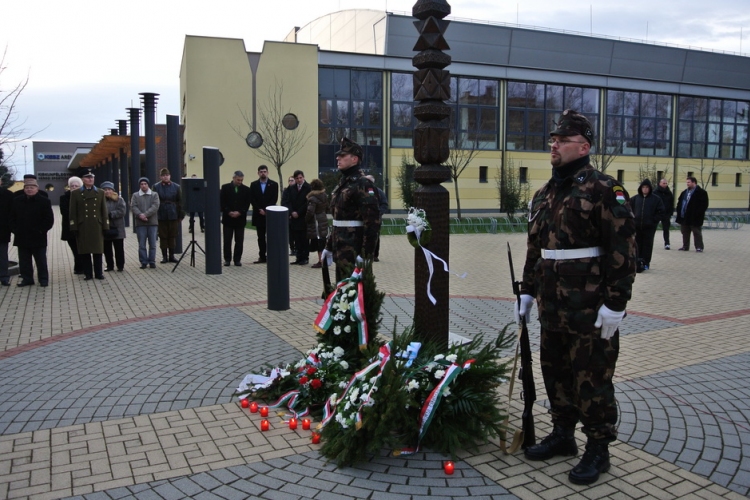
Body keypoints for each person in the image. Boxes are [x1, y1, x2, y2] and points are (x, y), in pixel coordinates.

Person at [516, 110, 636, 486]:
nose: (553, 144)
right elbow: (536, 249)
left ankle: (598, 449)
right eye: (552, 138)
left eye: (562, 139)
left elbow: (623, 252)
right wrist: (527, 291)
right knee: (556, 372)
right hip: (552, 306)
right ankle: (563, 434)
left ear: (583, 146)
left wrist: (616, 303)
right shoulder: (544, 193)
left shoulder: (605, 190)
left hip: (589, 307)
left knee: (593, 378)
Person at [324, 137, 381, 281]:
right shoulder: (344, 182)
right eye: (339, 155)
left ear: (354, 159)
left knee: (354, 296)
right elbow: (338, 219)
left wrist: (366, 254)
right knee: (342, 295)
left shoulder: (363, 184)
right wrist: (329, 246)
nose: (338, 158)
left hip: (354, 250)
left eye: (343, 155)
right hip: (341, 249)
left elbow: (373, 222)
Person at [9, 178, 54, 287]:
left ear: (37, 189)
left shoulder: (44, 201)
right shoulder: (17, 201)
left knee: (41, 260)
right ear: (24, 189)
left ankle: (43, 279)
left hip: (38, 236)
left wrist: (41, 230)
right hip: (22, 236)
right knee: (24, 261)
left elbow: (49, 219)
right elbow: (11, 218)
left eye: (32, 187)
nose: (29, 189)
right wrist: (15, 230)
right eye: (27, 188)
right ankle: (27, 279)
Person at [69, 170, 109, 281]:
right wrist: (74, 226)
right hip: (83, 226)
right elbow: (73, 212)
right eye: (87, 177)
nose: (90, 179)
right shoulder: (76, 193)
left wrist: (106, 226)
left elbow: (104, 211)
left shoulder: (100, 192)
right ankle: (88, 274)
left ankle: (98, 273)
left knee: (97, 251)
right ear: (82, 179)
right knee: (85, 251)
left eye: (92, 177)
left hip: (97, 225)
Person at [628, 179, 664, 271]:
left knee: (647, 245)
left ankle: (646, 262)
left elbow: (661, 211)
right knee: (637, 244)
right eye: (643, 187)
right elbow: (629, 209)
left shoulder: (656, 199)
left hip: (649, 227)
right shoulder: (635, 199)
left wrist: (653, 221)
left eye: (647, 187)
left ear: (650, 188)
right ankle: (637, 262)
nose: (645, 189)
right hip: (637, 226)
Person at [220, 170, 252, 266]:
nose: (240, 182)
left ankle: (237, 259)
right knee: (227, 240)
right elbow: (222, 201)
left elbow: (247, 204)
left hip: (240, 219)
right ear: (233, 178)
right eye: (238, 180)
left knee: (239, 240)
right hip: (228, 218)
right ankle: (227, 259)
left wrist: (240, 212)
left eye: (241, 180)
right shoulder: (225, 188)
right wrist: (229, 212)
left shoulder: (246, 190)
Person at [249, 165, 279, 264]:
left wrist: (266, 210)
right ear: (258, 173)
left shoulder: (274, 184)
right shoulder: (253, 185)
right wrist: (259, 209)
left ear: (268, 172)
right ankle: (262, 256)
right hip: (258, 214)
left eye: (265, 171)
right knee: (260, 237)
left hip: (269, 215)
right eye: (261, 172)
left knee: (270, 237)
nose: (263, 173)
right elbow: (252, 199)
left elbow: (274, 199)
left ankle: (271, 256)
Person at [153, 168, 183, 263]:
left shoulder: (176, 187)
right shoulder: (156, 187)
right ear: (161, 177)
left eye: (167, 175)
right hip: (161, 214)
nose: (165, 177)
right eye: (163, 175)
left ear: (170, 176)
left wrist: (181, 215)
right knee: (163, 235)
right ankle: (164, 256)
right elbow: (153, 201)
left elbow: (181, 201)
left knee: (172, 235)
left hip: (173, 213)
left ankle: (172, 256)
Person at [131, 177, 160, 269]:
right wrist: (140, 215)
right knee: (142, 244)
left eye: (145, 184)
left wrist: (145, 215)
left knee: (153, 244)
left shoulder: (154, 194)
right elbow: (133, 206)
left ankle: (152, 261)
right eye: (141, 184)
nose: (143, 186)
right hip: (140, 224)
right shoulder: (135, 195)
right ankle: (143, 261)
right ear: (139, 185)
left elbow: (155, 206)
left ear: (148, 185)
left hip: (152, 223)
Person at [675, 176, 709, 252]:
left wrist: (698, 213)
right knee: (685, 232)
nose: (687, 184)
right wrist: (679, 210)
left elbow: (704, 205)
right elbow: (680, 203)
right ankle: (685, 246)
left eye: (689, 182)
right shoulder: (684, 192)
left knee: (696, 232)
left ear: (694, 182)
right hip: (684, 216)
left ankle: (699, 247)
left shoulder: (701, 193)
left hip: (695, 217)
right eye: (687, 182)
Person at [285, 170, 311, 265]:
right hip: (294, 217)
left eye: (300, 178)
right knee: (296, 239)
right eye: (297, 178)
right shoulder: (292, 188)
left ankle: (305, 257)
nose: (299, 180)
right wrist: (292, 212)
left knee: (304, 239)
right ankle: (298, 257)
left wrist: (299, 212)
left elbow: (307, 203)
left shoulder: (308, 188)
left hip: (303, 217)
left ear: (303, 177)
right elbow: (288, 201)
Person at [59, 177, 84, 275]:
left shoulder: (83, 196)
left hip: (83, 228)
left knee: (82, 249)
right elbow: (64, 212)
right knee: (75, 249)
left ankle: (82, 267)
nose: (74, 187)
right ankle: (78, 267)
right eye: (72, 186)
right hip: (69, 228)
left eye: (76, 186)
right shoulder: (64, 198)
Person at [101, 181, 126, 272]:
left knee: (119, 249)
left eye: (109, 189)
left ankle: (120, 266)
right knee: (107, 249)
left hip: (118, 228)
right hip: (106, 228)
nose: (107, 191)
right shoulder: (101, 200)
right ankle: (109, 265)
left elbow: (122, 211)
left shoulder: (120, 200)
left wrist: (111, 214)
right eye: (105, 190)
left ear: (113, 190)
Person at [305, 178, 329, 268]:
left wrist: (306, 219)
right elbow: (327, 208)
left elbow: (310, 211)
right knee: (323, 240)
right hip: (323, 218)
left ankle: (321, 261)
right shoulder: (324, 196)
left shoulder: (312, 198)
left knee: (319, 242)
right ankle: (323, 260)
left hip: (316, 220)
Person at [365, 175, 388, 262]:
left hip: (375, 219)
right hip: (363, 219)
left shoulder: (378, 192)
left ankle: (374, 255)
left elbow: (384, 204)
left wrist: (378, 213)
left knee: (374, 236)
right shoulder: (361, 191)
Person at [653, 178, 674, 249]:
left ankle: (667, 243)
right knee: (653, 229)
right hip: (657, 213)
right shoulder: (655, 192)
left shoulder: (669, 193)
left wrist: (670, 212)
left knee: (666, 229)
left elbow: (671, 203)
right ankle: (650, 242)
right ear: (659, 183)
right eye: (663, 183)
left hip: (666, 214)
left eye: (666, 183)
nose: (665, 185)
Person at [0, 177, 13, 286]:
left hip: (2, 231)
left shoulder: (8, 195)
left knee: (2, 256)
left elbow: (12, 213)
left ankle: (4, 277)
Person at [280, 176, 297, 256]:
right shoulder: (286, 191)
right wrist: (290, 213)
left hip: (296, 215)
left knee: (296, 233)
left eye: (292, 180)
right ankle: (292, 248)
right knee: (290, 234)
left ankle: (297, 248)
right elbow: (284, 203)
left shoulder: (297, 191)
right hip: (288, 216)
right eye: (289, 180)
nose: (291, 182)